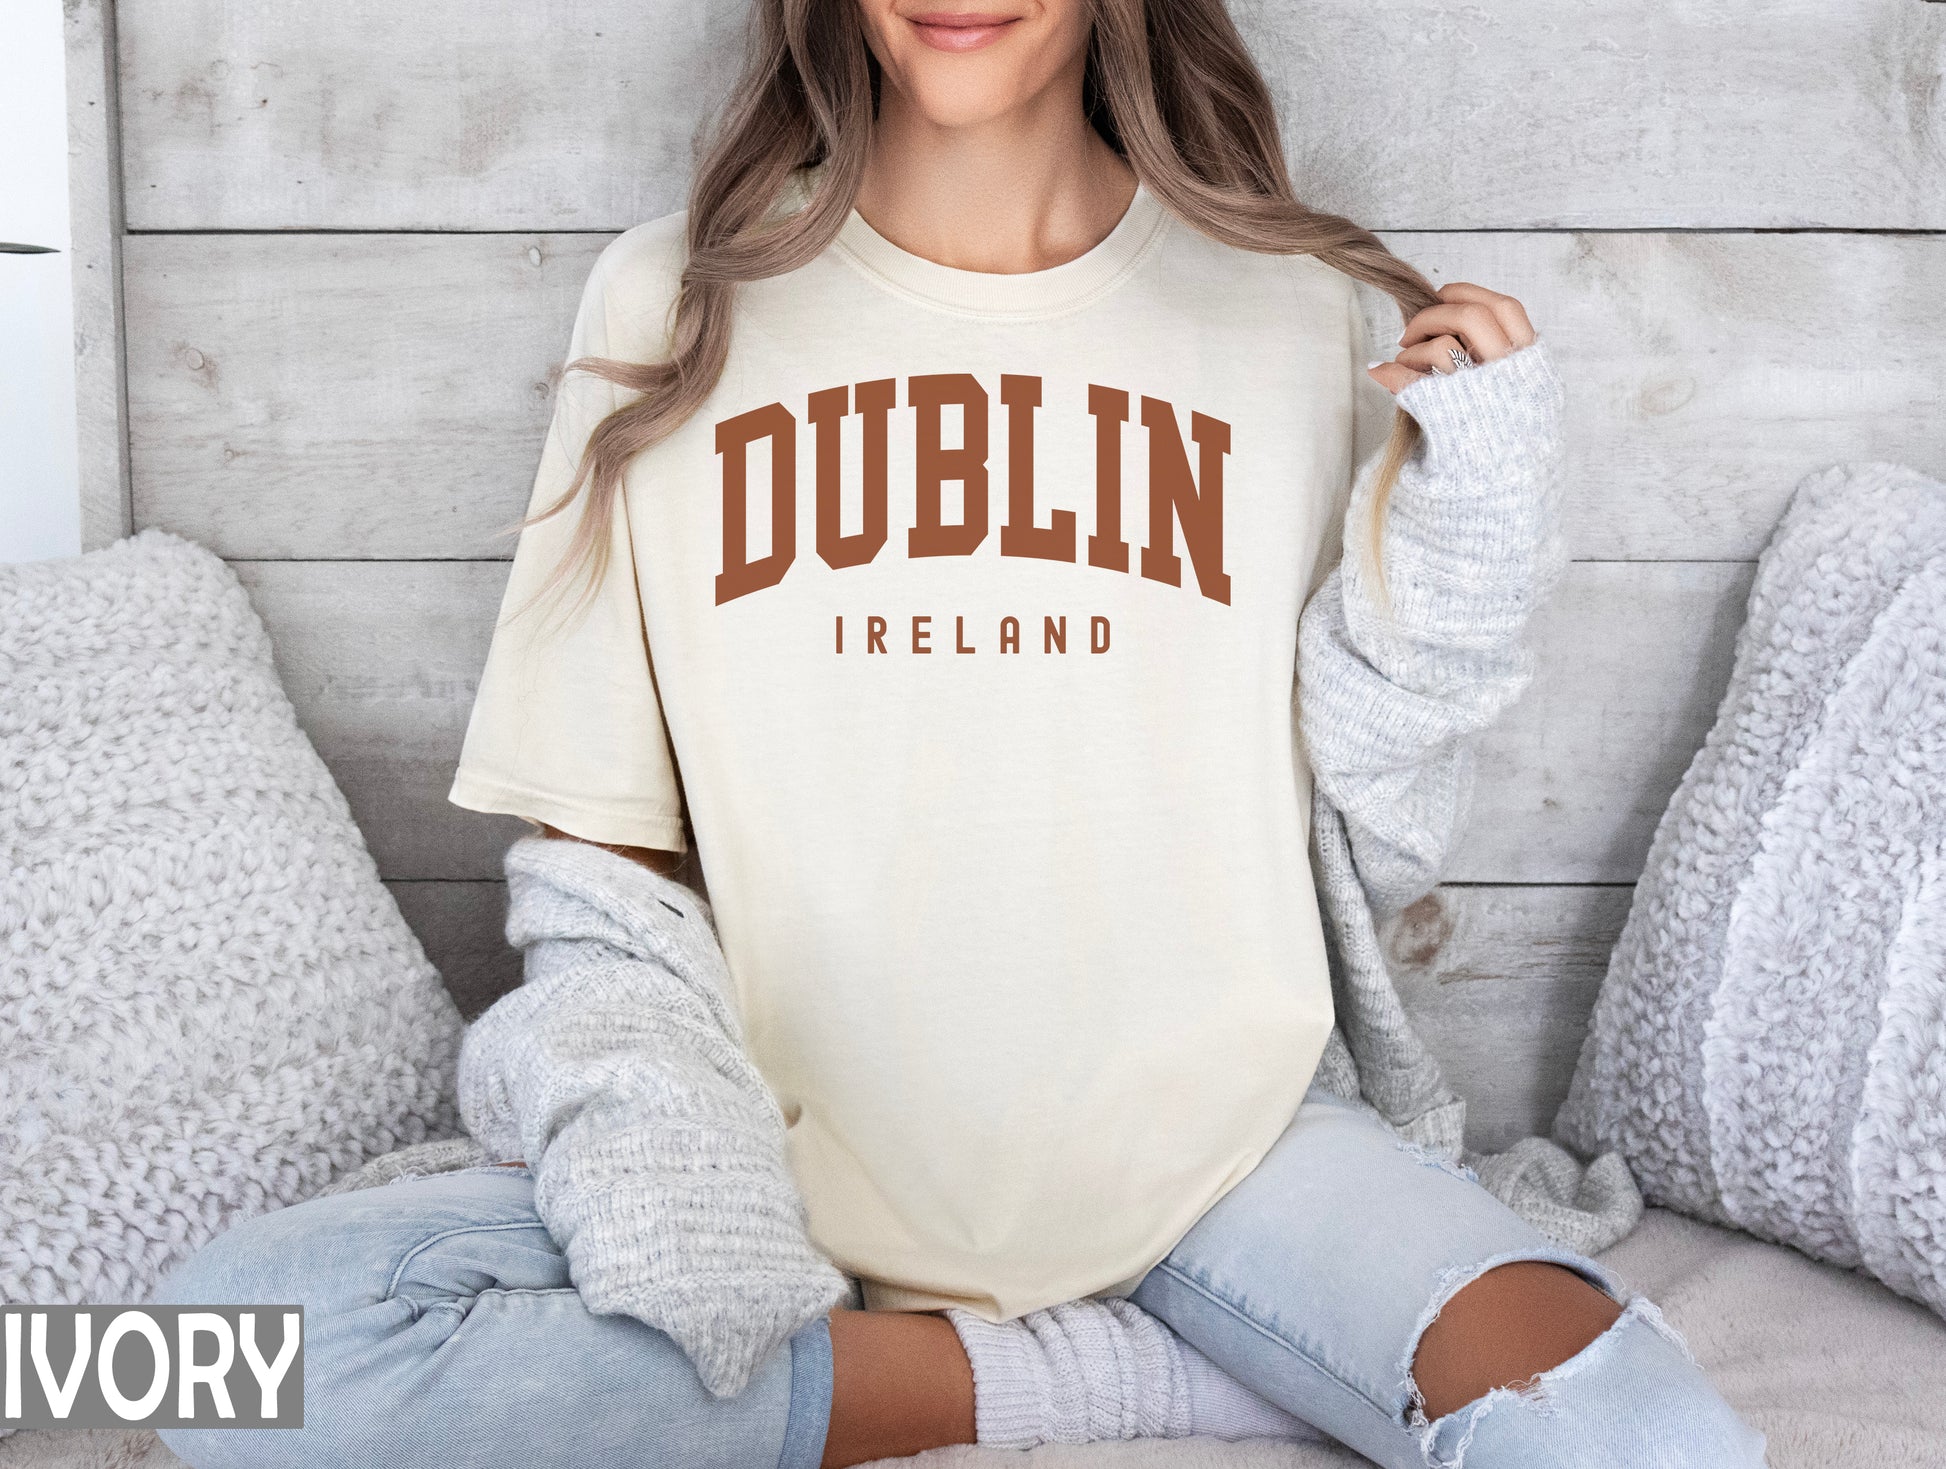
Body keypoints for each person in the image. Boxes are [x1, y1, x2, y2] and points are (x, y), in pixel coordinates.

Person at [155, 2, 1770, 1466]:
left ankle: (1098, 1343)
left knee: (1645, 1439)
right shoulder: (673, 301)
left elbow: (1375, 796)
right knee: (172, 1366)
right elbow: (598, 848)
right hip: (777, 1165)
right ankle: (1108, 1372)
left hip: (1224, 1163)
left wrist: (1474, 549)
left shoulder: (1303, 309)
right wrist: (661, 1166)